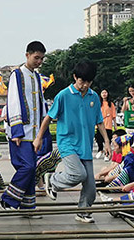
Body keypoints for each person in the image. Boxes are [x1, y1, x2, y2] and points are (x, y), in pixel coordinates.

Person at [37, 61, 109, 224]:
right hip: (67, 143)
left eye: (88, 82)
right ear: (75, 77)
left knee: (91, 187)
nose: (84, 85)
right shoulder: (63, 95)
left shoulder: (94, 97)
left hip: (85, 145)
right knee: (79, 174)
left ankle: (83, 212)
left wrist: (106, 142)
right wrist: (39, 138)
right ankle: (52, 180)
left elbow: (99, 121)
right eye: (82, 81)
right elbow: (48, 117)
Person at [0, 41, 47, 211]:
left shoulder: (36, 76)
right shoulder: (17, 74)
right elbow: (13, 102)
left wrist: (43, 130)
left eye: (41, 58)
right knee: (28, 167)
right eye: (36, 58)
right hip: (22, 132)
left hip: (34, 132)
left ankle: (28, 206)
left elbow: (41, 103)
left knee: (32, 169)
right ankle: (8, 198)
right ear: (27, 55)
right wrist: (17, 131)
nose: (39, 61)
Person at [96, 90, 116, 161]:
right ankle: (100, 150)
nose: (104, 94)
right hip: (100, 125)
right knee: (99, 139)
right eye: (102, 93)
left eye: (105, 92)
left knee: (108, 141)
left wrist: (115, 126)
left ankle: (107, 154)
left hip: (108, 125)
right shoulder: (98, 103)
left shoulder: (111, 104)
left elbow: (114, 116)